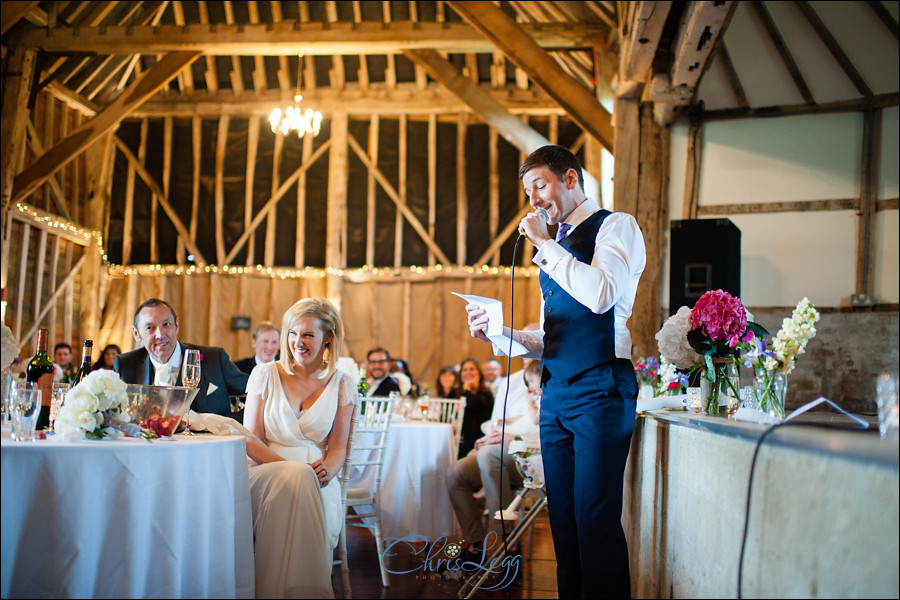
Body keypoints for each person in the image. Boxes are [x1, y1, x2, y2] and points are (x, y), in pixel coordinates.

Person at [465, 145, 645, 598]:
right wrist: (501, 334)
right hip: (556, 395)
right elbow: (551, 338)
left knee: (594, 523)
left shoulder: (614, 226)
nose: (534, 200)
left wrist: (545, 245)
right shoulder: (556, 249)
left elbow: (602, 294)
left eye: (540, 185)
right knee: (563, 524)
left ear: (570, 178)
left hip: (603, 388)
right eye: (528, 192)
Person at [242, 297, 355, 598]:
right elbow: (250, 439)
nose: (297, 342)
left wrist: (327, 472)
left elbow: (338, 448)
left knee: (307, 483)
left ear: (328, 338)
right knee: (298, 478)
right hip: (266, 473)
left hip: (319, 479)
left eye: (308, 335)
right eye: (292, 333)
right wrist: (291, 470)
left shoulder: (343, 383)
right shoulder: (265, 374)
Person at [446, 360, 542, 558]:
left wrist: (512, 437)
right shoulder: (523, 386)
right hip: (503, 446)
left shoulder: (556, 388)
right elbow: (522, 418)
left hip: (529, 458)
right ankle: (474, 541)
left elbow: (545, 428)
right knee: (457, 472)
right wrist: (490, 434)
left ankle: (507, 537)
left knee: (488, 455)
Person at [115, 298, 249, 417]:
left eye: (166, 324)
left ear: (176, 325)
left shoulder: (214, 359)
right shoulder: (125, 365)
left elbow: (259, 394)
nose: (160, 335)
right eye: (150, 327)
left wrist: (226, 424)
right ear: (136, 334)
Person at [456, 358, 494, 459]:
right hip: (457, 442)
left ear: (479, 373)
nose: (468, 372)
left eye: (472, 369)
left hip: (477, 443)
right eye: (464, 370)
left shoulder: (486, 394)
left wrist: (467, 389)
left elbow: (473, 404)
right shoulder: (455, 393)